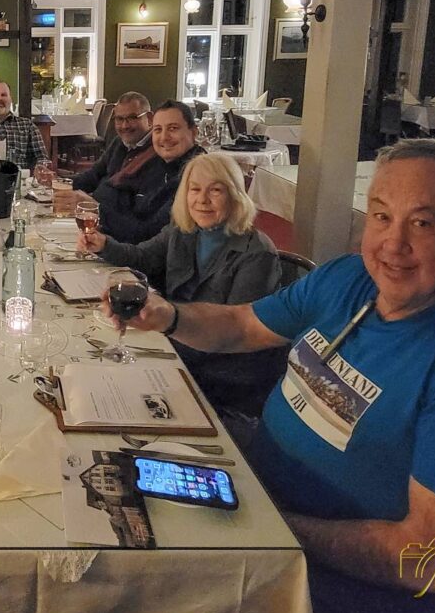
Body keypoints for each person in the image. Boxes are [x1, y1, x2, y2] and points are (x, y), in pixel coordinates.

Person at [105, 139, 435, 610]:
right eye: (382, 216)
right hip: (256, 487)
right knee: (105, 475)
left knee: (124, 589)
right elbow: (242, 325)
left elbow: (431, 561)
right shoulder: (349, 279)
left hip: (329, 583)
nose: (394, 244)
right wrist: (169, 316)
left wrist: (275, 524)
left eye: (422, 223)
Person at [79, 152, 284, 418]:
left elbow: (235, 336)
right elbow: (142, 257)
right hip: (177, 346)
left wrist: (160, 334)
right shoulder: (184, 230)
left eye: (216, 191)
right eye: (194, 189)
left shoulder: (257, 254)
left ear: (235, 195)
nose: (202, 200)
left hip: (219, 378)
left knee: (109, 391)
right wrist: (104, 244)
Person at [81, 99, 205, 244]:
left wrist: (97, 210)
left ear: (194, 132)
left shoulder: (196, 177)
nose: (164, 137)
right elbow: (128, 211)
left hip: (151, 261)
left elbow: (147, 236)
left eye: (173, 128)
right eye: (158, 130)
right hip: (127, 249)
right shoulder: (158, 164)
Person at [72, 91, 153, 192]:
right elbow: (94, 174)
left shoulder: (156, 151)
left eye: (132, 118)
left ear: (149, 118)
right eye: (119, 119)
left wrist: (93, 202)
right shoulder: (119, 142)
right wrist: (66, 185)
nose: (125, 126)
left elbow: (131, 201)